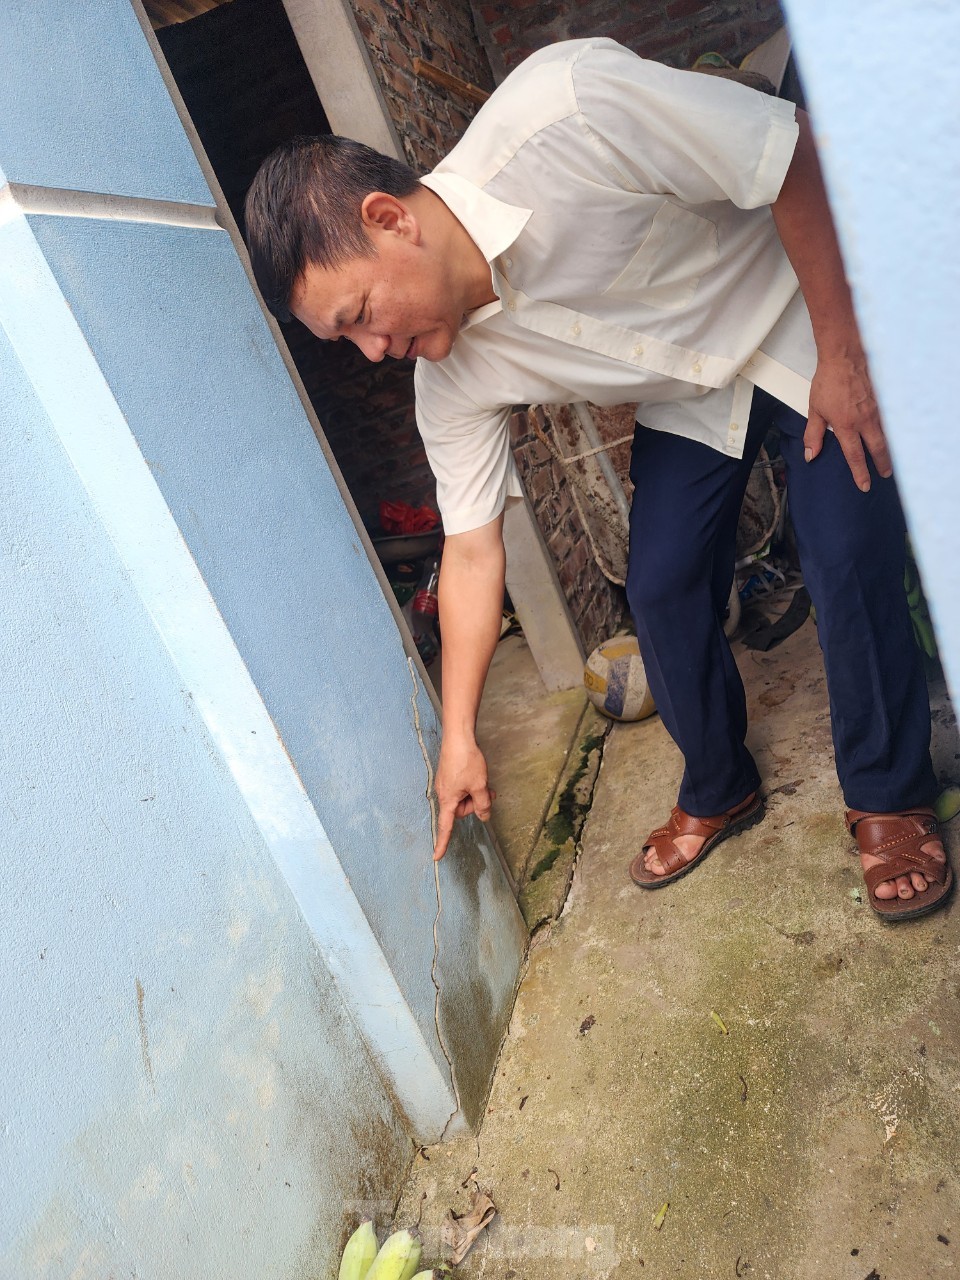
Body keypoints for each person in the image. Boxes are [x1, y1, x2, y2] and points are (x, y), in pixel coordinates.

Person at [244, 37, 951, 920]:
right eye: (345, 342)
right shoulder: (447, 374)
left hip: (794, 318)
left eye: (360, 316)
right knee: (658, 583)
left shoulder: (564, 111)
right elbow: (469, 555)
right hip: (690, 400)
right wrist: (459, 738)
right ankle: (720, 784)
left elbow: (793, 153)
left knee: (843, 551)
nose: (375, 351)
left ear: (391, 220)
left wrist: (846, 352)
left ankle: (889, 796)